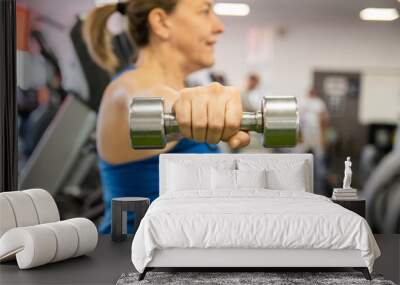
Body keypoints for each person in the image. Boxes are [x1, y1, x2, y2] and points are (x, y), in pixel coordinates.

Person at [83, 0, 250, 233]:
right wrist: (185, 106)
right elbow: (147, 99)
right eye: (205, 11)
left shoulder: (185, 88)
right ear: (161, 22)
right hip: (134, 261)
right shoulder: (125, 87)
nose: (219, 26)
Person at [298, 88, 330, 195]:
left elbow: (323, 121)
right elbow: (299, 122)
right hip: (305, 138)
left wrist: (323, 138)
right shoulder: (302, 102)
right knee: (300, 163)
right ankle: (301, 191)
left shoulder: (319, 103)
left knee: (320, 167)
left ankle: (321, 192)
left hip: (317, 137)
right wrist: (300, 136)